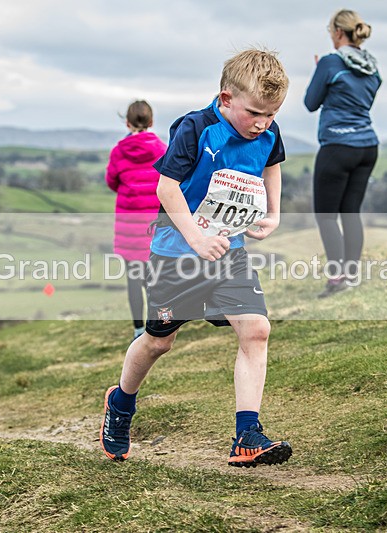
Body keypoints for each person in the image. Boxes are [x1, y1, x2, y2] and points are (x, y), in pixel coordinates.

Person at [100, 49, 293, 467]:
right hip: (176, 254)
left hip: (229, 252)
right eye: (254, 113)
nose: (262, 124)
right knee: (158, 342)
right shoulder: (196, 128)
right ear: (226, 98)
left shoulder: (268, 130)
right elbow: (166, 188)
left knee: (256, 330)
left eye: (272, 114)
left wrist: (273, 213)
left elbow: (272, 164)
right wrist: (196, 239)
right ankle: (121, 403)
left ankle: (247, 435)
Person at [304, 8, 381, 297]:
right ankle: (351, 276)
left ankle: (336, 280)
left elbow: (311, 103)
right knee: (351, 212)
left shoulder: (330, 62)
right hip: (368, 146)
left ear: (338, 32)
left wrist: (320, 73)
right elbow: (364, 96)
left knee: (326, 216)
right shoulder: (373, 67)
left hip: (337, 145)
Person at [106, 100, 167, 339]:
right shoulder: (162, 149)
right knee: (154, 277)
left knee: (134, 277)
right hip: (154, 225)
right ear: (151, 121)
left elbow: (112, 182)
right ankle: (160, 323)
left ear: (127, 123)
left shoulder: (118, 151)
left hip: (128, 225)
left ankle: (138, 329)